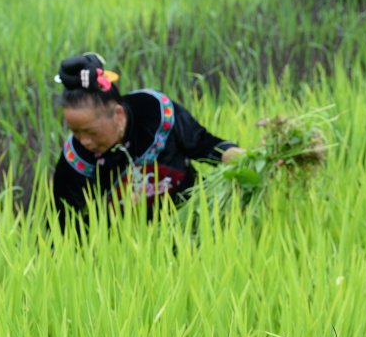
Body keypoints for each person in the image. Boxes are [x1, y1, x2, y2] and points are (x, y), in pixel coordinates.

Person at [52, 52, 244, 226]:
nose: (84, 141)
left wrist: (247, 158)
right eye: (75, 132)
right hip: (129, 244)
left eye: (91, 132)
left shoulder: (156, 113)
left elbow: (203, 145)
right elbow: (64, 223)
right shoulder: (76, 158)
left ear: (118, 115)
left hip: (193, 220)